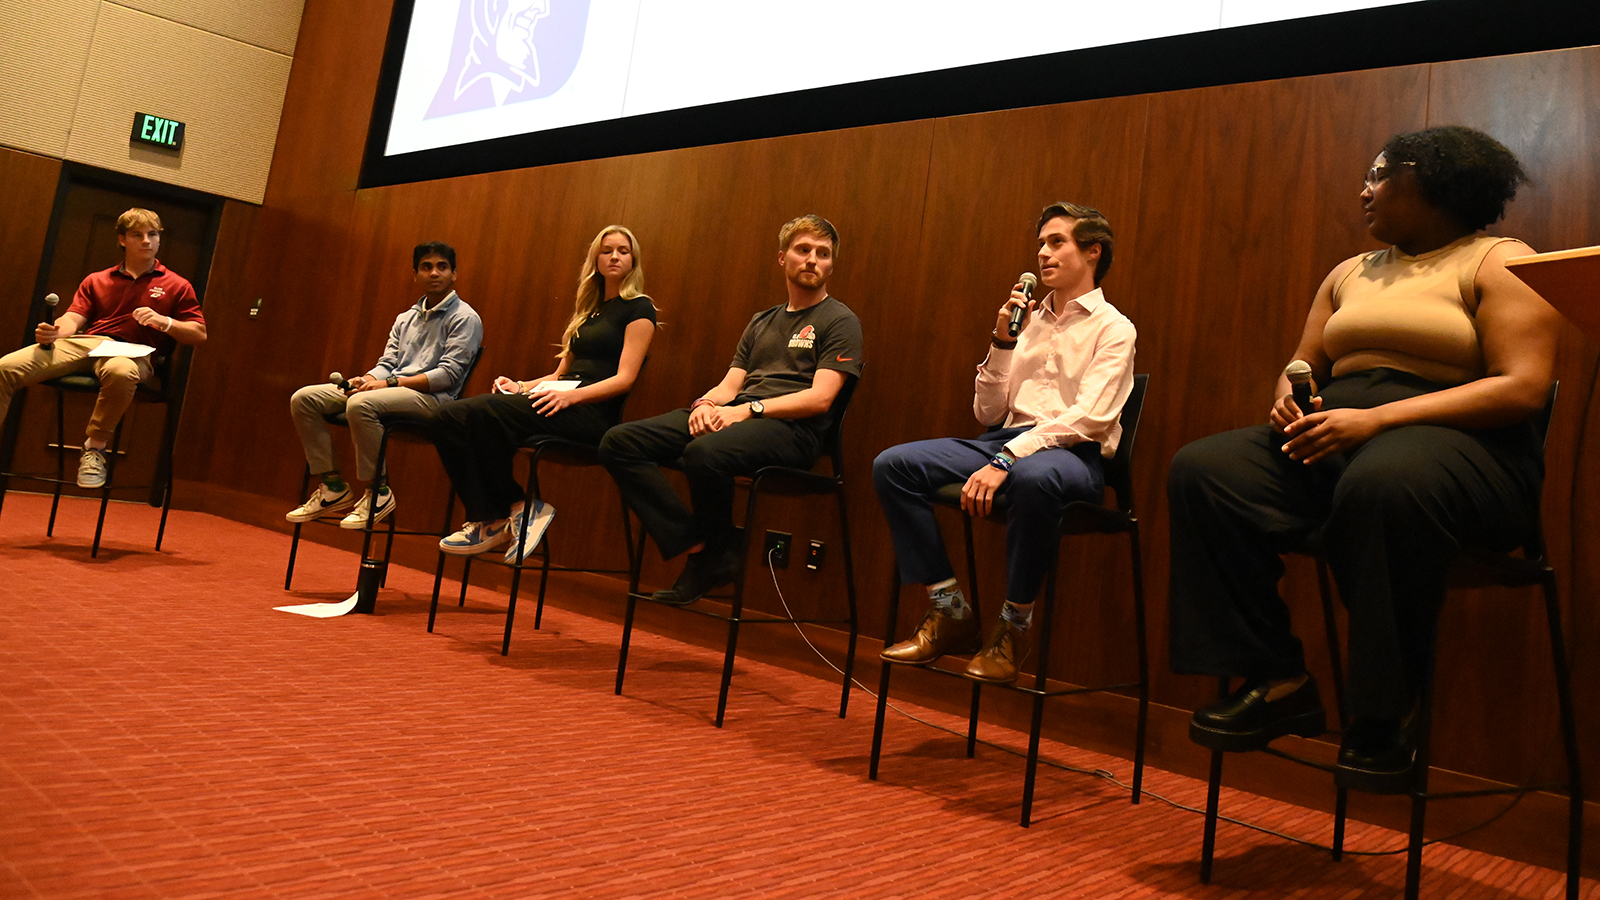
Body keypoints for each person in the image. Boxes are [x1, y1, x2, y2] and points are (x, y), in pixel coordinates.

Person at [1167, 126, 1561, 791]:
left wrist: (1376, 419)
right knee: (1205, 471)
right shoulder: (1351, 271)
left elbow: (1521, 385)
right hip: (1342, 434)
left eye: (1379, 175)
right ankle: (1276, 676)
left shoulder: (1499, 260)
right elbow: (1305, 357)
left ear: (1432, 179)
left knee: (1386, 480)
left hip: (1461, 449)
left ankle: (1384, 714)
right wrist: (1288, 395)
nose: (1364, 190)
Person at [874, 202, 1136, 685]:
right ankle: (950, 608)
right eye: (1041, 243)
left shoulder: (1114, 328)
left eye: (1056, 242)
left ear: (1093, 252)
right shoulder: (1027, 320)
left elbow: (1091, 419)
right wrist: (1002, 343)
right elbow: (988, 413)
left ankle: (1014, 628)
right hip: (1005, 440)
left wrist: (1007, 458)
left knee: (1035, 478)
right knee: (894, 465)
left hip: (1070, 456)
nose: (1042, 253)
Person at [599, 214, 863, 606]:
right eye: (802, 250)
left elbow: (820, 399)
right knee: (619, 441)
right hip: (740, 416)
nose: (812, 260)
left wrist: (749, 411)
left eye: (822, 254)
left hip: (794, 431)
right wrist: (705, 405)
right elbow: (729, 385)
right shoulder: (762, 321)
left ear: (831, 265)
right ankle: (702, 548)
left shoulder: (840, 320)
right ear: (782, 258)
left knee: (704, 452)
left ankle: (715, 553)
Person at [429, 225, 657, 562]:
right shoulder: (589, 312)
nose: (614, 256)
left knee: (484, 413)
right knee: (446, 416)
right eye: (607, 250)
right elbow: (557, 375)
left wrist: (573, 397)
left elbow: (625, 379)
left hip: (592, 414)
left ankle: (506, 512)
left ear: (633, 260)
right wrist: (519, 386)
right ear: (596, 258)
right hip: (557, 400)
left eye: (623, 251)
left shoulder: (640, 308)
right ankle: (504, 513)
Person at [0, 208, 206, 489]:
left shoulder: (177, 285)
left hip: (135, 353)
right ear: (122, 239)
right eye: (138, 234)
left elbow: (198, 333)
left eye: (153, 234)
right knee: (5, 367)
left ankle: (94, 449)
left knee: (120, 372)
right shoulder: (97, 280)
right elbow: (74, 318)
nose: (147, 240)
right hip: (87, 343)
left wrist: (165, 322)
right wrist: (55, 331)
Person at [286, 242, 483, 529]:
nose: (434, 273)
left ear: (454, 274)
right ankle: (332, 486)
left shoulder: (465, 317)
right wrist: (365, 379)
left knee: (360, 403)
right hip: (391, 391)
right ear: (415, 274)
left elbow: (448, 376)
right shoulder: (406, 318)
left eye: (442, 267)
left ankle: (378, 491)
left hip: (435, 400)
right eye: (426, 267)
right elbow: (387, 362)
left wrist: (387, 383)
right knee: (305, 398)